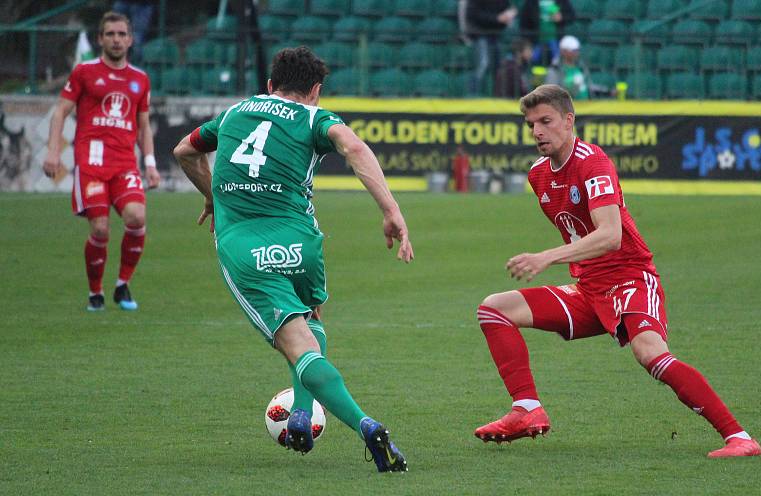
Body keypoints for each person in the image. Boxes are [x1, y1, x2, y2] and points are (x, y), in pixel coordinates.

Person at [473, 84, 761, 458]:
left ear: (568, 119)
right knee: (494, 308)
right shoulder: (538, 175)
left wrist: (546, 257)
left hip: (629, 279)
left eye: (545, 121)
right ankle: (526, 410)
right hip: (589, 289)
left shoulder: (593, 162)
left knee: (651, 355)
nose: (538, 132)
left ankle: (740, 438)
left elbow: (609, 236)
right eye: (531, 125)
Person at [172, 46, 414, 472]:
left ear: (270, 85)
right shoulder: (315, 117)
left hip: (244, 246)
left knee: (295, 342)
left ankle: (366, 425)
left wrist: (213, 196)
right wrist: (392, 211)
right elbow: (355, 149)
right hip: (301, 241)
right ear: (316, 90)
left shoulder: (233, 114)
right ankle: (302, 412)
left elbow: (184, 152)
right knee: (312, 318)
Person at [43, 11, 160, 312]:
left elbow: (144, 125)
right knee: (100, 230)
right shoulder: (84, 72)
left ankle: (122, 285)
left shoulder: (140, 79)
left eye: (122, 34)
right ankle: (95, 292)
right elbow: (60, 112)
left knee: (136, 217)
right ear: (100, 39)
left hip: (124, 164)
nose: (116, 39)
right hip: (92, 164)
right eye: (110, 34)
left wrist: (150, 163)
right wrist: (54, 151)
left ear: (131, 40)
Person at [466, 0, 518, 95]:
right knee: (483, 64)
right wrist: (497, 18)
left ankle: (497, 96)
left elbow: (508, 8)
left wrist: (510, 14)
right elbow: (473, 15)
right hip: (480, 34)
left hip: (496, 35)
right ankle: (472, 95)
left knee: (498, 67)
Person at [544, 35, 597, 100]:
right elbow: (550, 94)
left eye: (577, 50)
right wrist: (572, 89)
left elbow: (589, 86)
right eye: (573, 50)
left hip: (587, 108)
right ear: (563, 51)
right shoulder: (554, 70)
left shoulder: (581, 67)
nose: (576, 53)